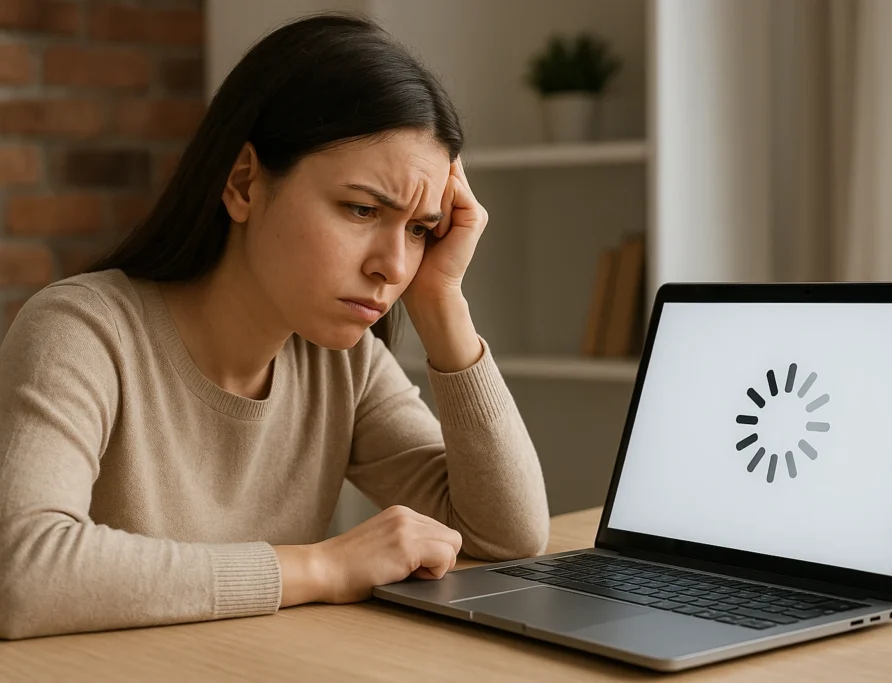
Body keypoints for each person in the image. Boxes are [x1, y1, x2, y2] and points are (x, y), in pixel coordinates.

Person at [0, 13, 549, 640]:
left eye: (420, 229)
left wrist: (443, 303)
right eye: (362, 209)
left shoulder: (342, 363)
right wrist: (321, 566)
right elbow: (20, 573)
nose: (394, 265)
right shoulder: (82, 332)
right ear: (243, 183)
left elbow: (505, 534)